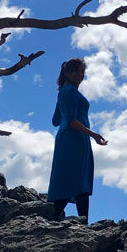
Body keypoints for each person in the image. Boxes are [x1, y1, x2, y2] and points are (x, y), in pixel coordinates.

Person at [47, 58, 107, 221]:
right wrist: (93, 134)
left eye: (82, 71)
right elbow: (72, 121)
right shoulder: (70, 91)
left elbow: (55, 120)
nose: (80, 75)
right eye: (76, 71)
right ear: (68, 73)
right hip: (75, 139)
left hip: (70, 138)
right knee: (76, 179)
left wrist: (64, 107)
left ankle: (80, 221)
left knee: (73, 179)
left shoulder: (64, 92)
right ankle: (70, 219)